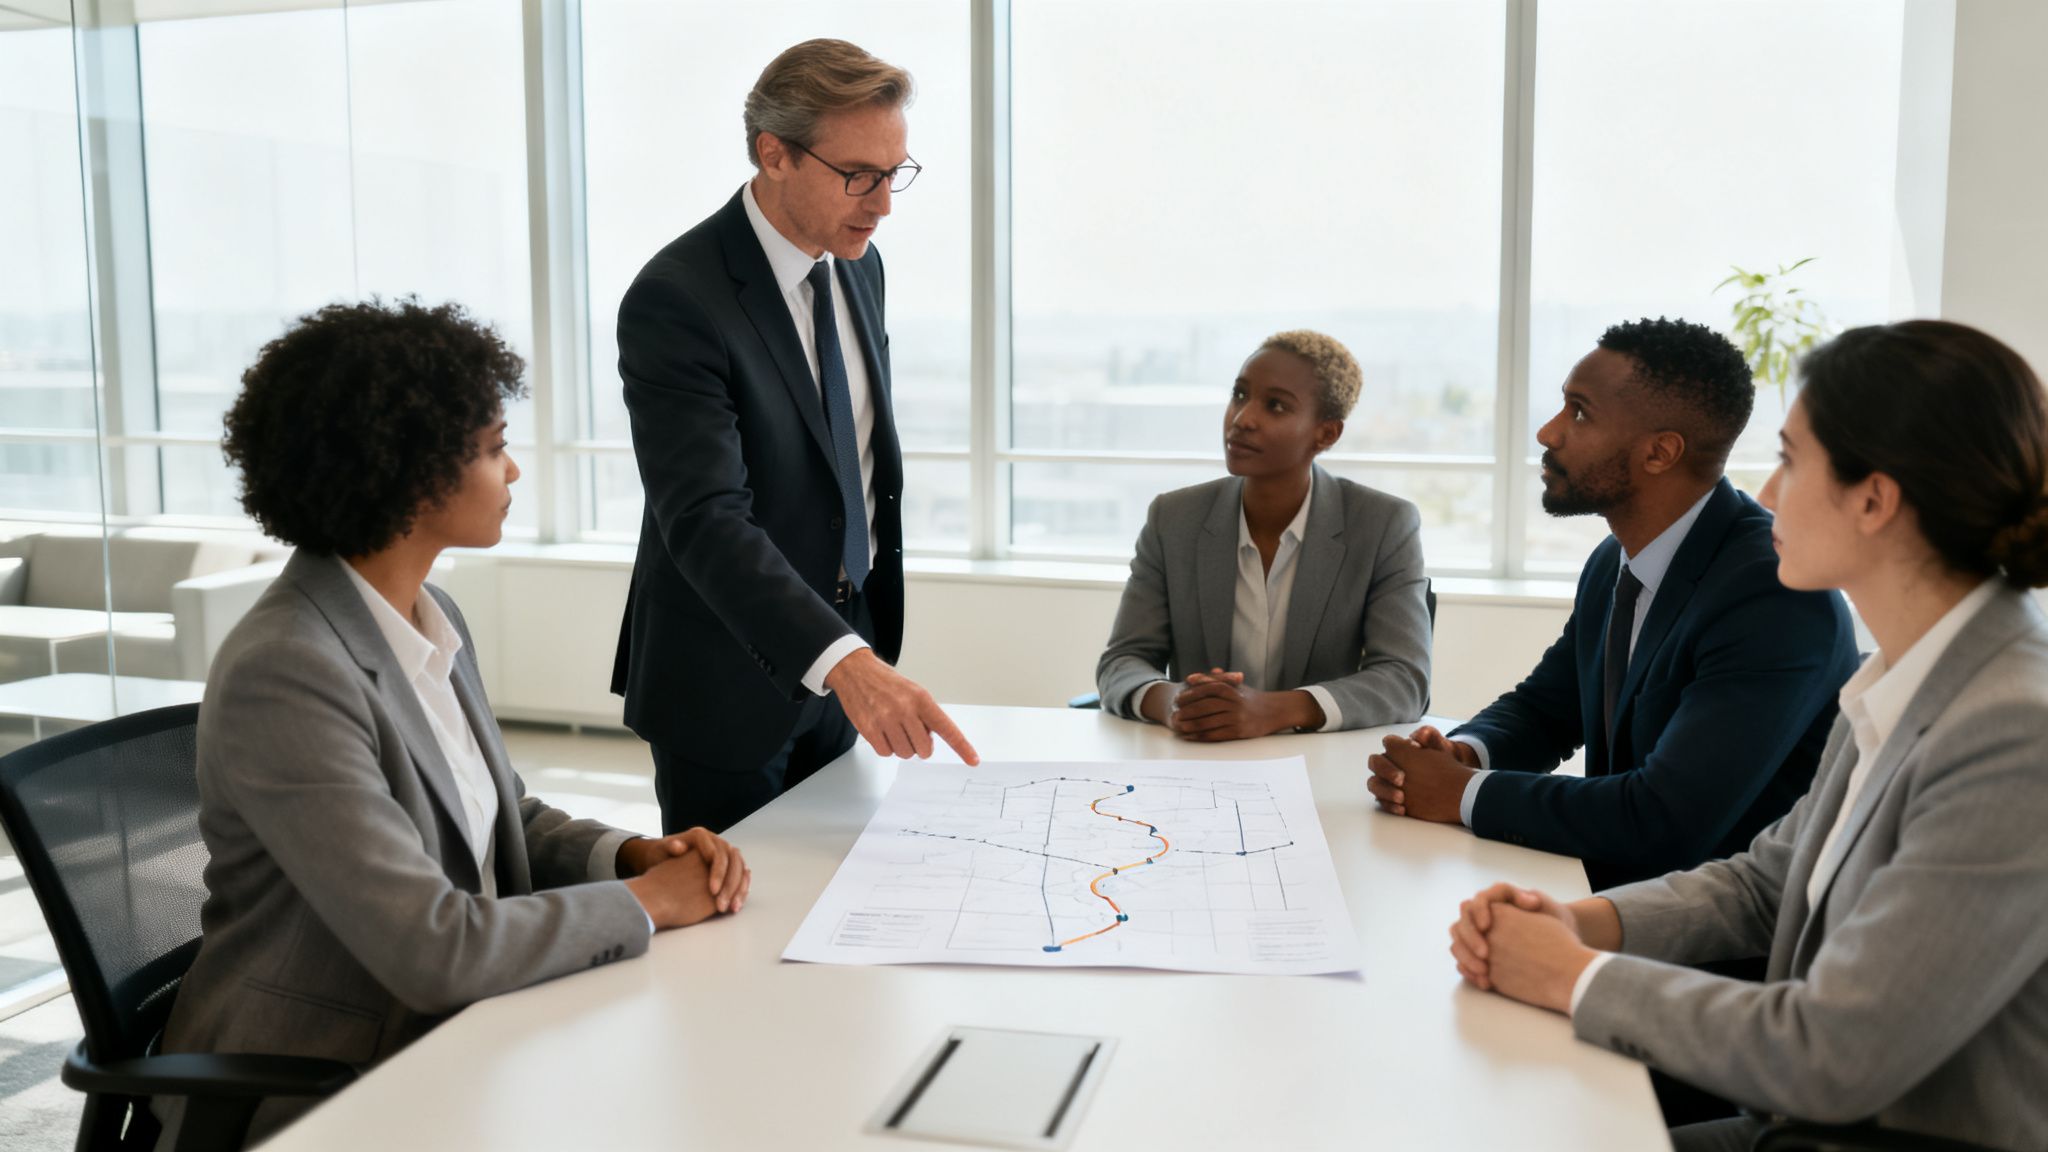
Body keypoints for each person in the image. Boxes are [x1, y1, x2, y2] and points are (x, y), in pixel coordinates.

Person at [1448, 319, 2048, 1152]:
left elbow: (1835, 1051)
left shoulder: (2016, 729)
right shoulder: (1901, 678)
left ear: (1874, 500)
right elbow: (1768, 885)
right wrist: (1580, 919)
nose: (1765, 490)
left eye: (1792, 460)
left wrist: (1572, 975)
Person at [159, 300, 748, 1145]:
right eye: (496, 446)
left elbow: (502, 813)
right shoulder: (287, 671)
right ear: (411, 471)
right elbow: (433, 949)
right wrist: (648, 901)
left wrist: (625, 855)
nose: (513, 473)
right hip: (326, 1076)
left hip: (463, 1027)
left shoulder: (431, 617)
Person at [612, 38, 976, 836]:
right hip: (725, 682)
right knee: (731, 933)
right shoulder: (677, 299)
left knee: (839, 903)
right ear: (772, 154)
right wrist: (843, 662)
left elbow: (847, 457)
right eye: (858, 176)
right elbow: (705, 518)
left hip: (847, 654)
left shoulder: (858, 265)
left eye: (895, 173)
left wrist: (854, 651)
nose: (882, 205)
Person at [1368, 318, 1857, 892]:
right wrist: (1464, 753)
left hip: (1712, 942)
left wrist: (1459, 793)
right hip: (1613, 897)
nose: (1548, 433)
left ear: (1659, 452)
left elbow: (1665, 817)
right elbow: (1546, 710)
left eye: (1579, 412)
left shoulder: (1773, 593)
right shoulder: (1614, 560)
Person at [1096, 330, 1432, 739]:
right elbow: (1123, 661)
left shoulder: (1382, 524)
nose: (1242, 420)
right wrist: (1176, 703)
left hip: (1317, 765)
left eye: (1275, 406)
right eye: (1239, 395)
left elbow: (1405, 679)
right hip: (1198, 760)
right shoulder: (1174, 518)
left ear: (1326, 434)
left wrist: (1274, 710)